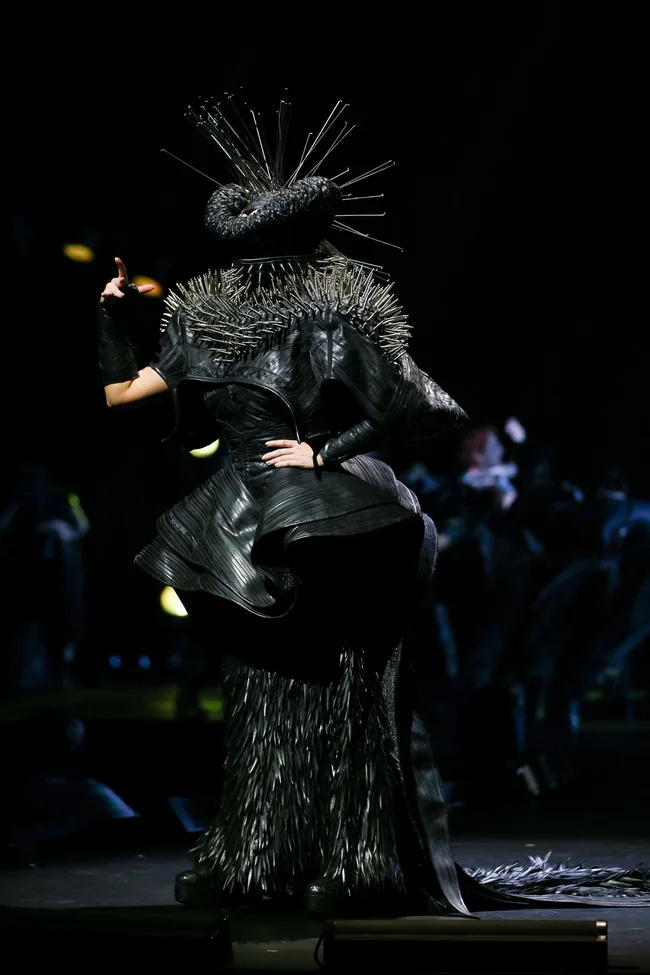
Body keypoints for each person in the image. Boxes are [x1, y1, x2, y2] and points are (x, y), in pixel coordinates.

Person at [97, 96, 650, 917]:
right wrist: (111, 316)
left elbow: (425, 404)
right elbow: (121, 396)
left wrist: (325, 450)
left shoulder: (330, 313)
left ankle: (359, 857)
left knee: (343, 688)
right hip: (248, 518)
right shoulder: (206, 319)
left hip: (334, 521)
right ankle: (259, 850)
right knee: (266, 693)